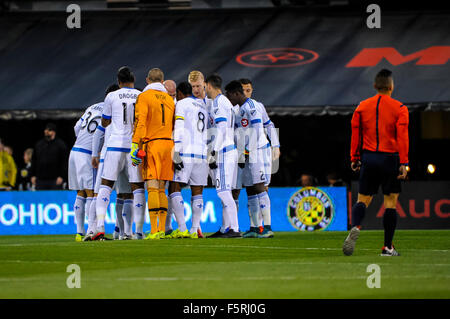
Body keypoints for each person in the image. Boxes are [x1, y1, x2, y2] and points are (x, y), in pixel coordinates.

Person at [343, 69, 409, 257]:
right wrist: (404, 162)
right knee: (390, 202)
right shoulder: (400, 108)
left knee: (362, 199)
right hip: (391, 158)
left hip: (369, 158)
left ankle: (356, 226)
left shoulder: (362, 107)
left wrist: (354, 157)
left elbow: (355, 134)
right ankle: (388, 247)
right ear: (391, 86)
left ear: (375, 86)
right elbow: (402, 136)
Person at [90, 67, 145, 241]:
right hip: (133, 146)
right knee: (136, 188)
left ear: (119, 81)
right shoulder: (140, 95)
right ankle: (136, 231)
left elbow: (105, 122)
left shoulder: (111, 96)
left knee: (106, 186)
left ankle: (99, 226)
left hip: (114, 146)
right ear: (133, 79)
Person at [131, 67, 175, 240]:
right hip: (168, 145)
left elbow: (140, 122)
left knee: (152, 188)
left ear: (148, 81)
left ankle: (155, 230)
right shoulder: (170, 100)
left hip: (152, 144)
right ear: (163, 82)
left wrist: (135, 143)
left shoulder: (144, 96)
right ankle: (162, 229)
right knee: (162, 189)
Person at [226, 80, 273, 238]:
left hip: (257, 152)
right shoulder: (240, 109)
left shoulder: (252, 107)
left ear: (236, 93)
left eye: (229, 96)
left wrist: (246, 151)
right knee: (250, 189)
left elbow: (258, 131)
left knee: (260, 186)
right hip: (246, 154)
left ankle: (267, 227)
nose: (229, 99)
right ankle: (254, 227)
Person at [168, 82, 209, 239]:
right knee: (197, 191)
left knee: (174, 187)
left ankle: (183, 228)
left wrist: (176, 151)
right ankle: (194, 229)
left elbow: (179, 126)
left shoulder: (181, 104)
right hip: (201, 153)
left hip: (186, 151)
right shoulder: (202, 106)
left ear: (179, 92)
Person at [204, 74, 241, 238]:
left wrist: (214, 151)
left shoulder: (219, 102)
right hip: (229, 149)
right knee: (225, 191)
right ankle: (226, 227)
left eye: (204, 86)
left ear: (209, 86)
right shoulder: (225, 102)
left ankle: (234, 228)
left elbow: (222, 128)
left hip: (224, 151)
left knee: (223, 191)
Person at [30, 123, 68, 190]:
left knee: (54, 199)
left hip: (55, 179)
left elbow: (64, 162)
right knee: (40, 199)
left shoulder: (61, 145)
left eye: (49, 130)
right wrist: (32, 175)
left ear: (54, 132)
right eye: (45, 130)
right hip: (40, 179)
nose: (46, 132)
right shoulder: (39, 144)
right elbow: (34, 160)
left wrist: (62, 176)